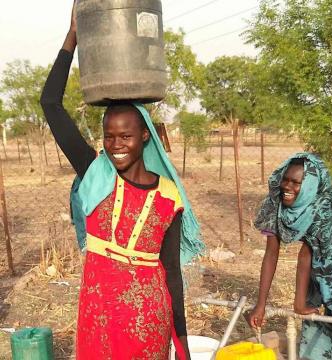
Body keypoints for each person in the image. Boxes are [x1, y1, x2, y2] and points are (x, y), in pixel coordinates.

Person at [40, 2, 203, 359]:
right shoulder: (95, 172)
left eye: (125, 136)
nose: (115, 145)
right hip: (97, 316)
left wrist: (184, 346)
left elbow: (172, 275)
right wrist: (73, 36)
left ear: (145, 136)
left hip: (148, 321)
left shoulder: (169, 197)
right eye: (109, 136)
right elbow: (50, 103)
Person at [247, 153, 332, 360]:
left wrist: (298, 304)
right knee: (313, 315)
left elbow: (305, 255)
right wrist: (260, 305)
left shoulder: (323, 207)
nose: (287, 187)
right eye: (285, 180)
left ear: (309, 187)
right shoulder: (276, 204)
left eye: (296, 183)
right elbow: (271, 254)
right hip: (315, 268)